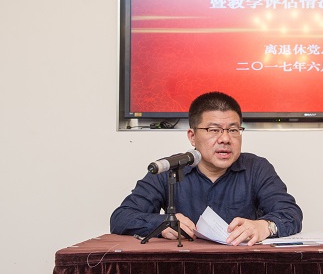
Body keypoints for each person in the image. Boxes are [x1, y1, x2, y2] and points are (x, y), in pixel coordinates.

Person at [110, 91, 303, 245]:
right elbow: (121, 218)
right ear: (192, 136)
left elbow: (291, 213)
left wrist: (265, 226)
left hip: (243, 267)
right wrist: (162, 223)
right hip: (184, 268)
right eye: (214, 130)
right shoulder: (170, 169)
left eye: (233, 130)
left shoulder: (257, 168)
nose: (225, 139)